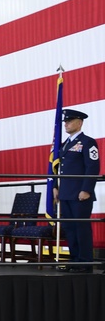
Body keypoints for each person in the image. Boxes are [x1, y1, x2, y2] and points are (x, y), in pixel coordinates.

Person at [56, 109, 100, 273]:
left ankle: (85, 261)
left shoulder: (88, 142)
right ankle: (74, 259)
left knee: (81, 228)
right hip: (65, 193)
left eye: (69, 121)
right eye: (65, 121)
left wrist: (87, 189)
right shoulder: (65, 144)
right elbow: (58, 167)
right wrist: (55, 187)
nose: (66, 124)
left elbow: (92, 167)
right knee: (69, 228)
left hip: (80, 194)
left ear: (80, 122)